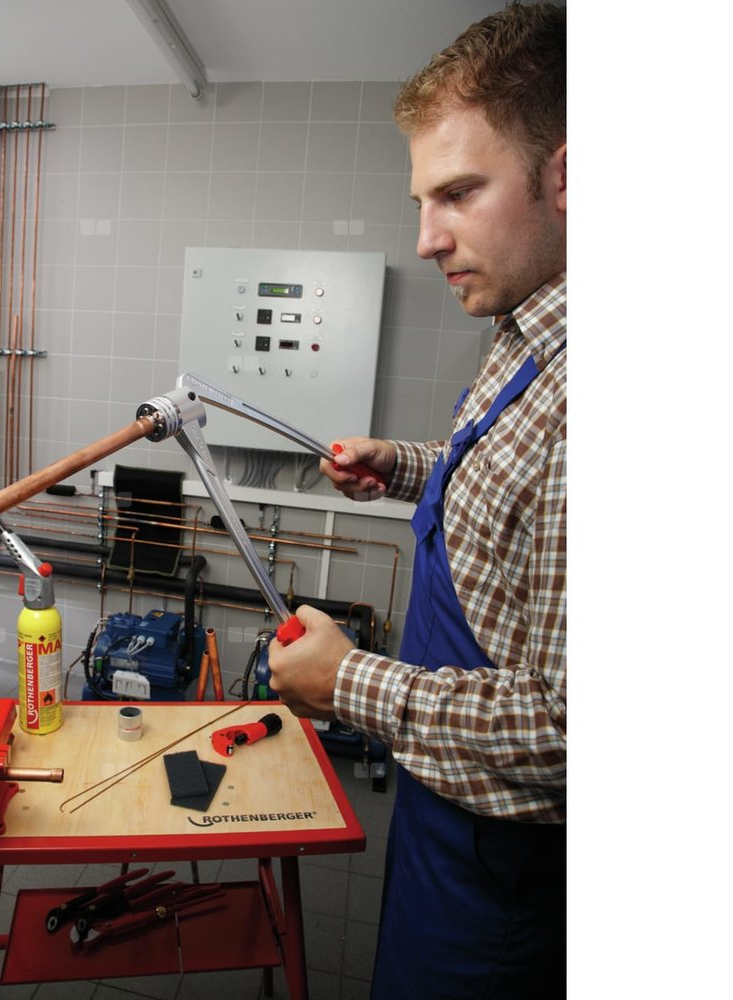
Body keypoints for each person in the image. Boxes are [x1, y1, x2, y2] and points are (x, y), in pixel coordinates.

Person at [267, 3, 567, 997]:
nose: (427, 238)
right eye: (420, 200)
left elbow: (572, 724)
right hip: (447, 817)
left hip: (512, 873)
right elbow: (513, 488)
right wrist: (401, 464)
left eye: (459, 193)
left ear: (568, 178)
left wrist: (348, 682)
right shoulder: (525, 326)